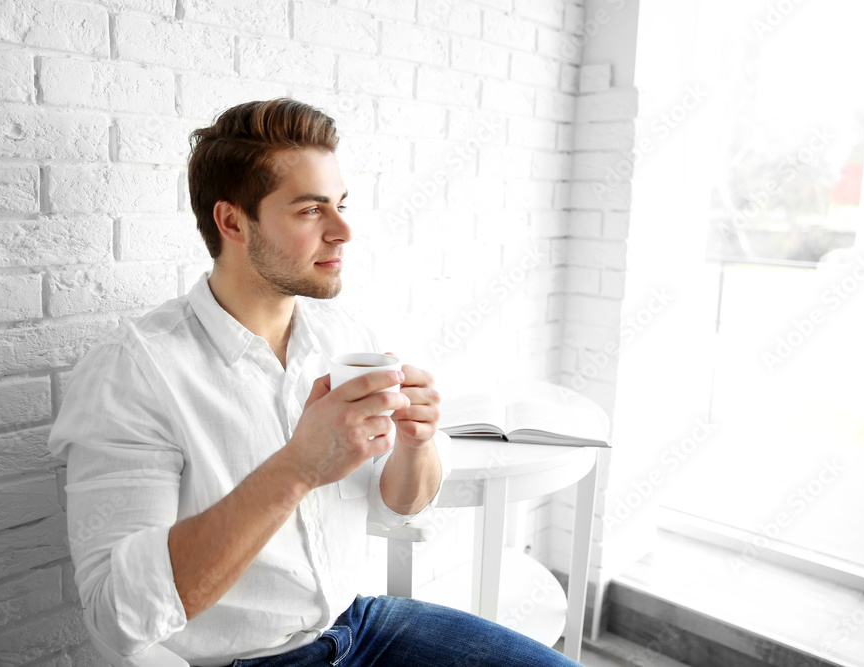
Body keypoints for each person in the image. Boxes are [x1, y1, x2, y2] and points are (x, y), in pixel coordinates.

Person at [49, 98, 581, 667]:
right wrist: (299, 467)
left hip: (362, 627)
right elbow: (117, 616)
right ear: (233, 222)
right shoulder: (134, 372)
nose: (344, 230)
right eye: (310, 210)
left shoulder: (344, 335)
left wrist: (417, 443)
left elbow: (397, 507)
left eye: (342, 205)